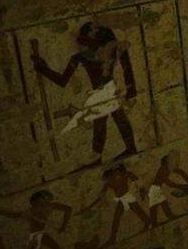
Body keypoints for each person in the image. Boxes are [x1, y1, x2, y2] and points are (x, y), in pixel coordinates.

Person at [31, 23, 138, 167]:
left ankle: (115, 153)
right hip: (103, 93)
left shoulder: (111, 51)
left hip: (108, 91)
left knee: (109, 121)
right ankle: (108, 154)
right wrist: (43, 68)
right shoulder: (81, 57)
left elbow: (127, 70)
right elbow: (62, 81)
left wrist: (43, 69)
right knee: (106, 122)